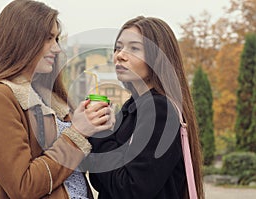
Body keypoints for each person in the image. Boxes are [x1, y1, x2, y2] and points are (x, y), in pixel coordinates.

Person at [0, 0, 114, 198]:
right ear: (22, 39)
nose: (57, 48)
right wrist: (76, 133)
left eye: (56, 39)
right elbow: (23, 186)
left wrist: (95, 127)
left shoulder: (51, 97)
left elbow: (74, 170)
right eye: (48, 39)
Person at [87, 16, 204, 199]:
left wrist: (100, 134)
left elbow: (132, 189)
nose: (120, 55)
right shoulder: (132, 106)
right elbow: (102, 180)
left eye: (134, 48)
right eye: (118, 47)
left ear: (158, 56)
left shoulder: (159, 109)